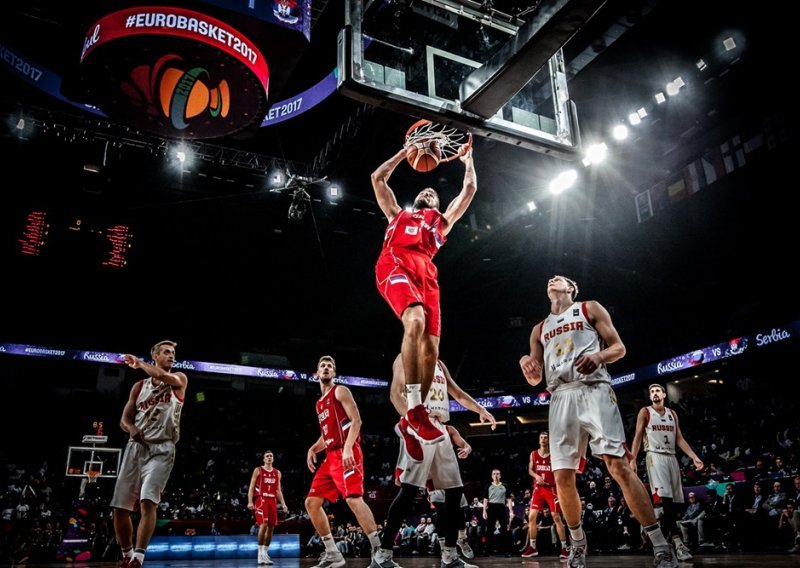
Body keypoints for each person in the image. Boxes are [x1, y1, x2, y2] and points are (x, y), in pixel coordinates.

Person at [519, 275, 677, 568]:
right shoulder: (539, 329)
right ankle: (578, 543)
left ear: (570, 288)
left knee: (618, 466)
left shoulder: (589, 308)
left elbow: (619, 347)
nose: (553, 279)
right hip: (560, 396)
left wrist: (599, 355)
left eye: (561, 278)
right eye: (550, 279)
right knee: (563, 476)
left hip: (594, 389)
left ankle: (660, 544)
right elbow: (535, 377)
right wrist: (526, 367)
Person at [371, 143, 476, 444]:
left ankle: (415, 412)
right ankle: (415, 409)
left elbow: (468, 190)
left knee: (432, 348)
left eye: (433, 193)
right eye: (423, 192)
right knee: (414, 321)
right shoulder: (396, 215)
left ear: (436, 204)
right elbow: (378, 177)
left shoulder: (441, 222)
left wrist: (468, 161)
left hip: (426, 272)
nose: (428, 192)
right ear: (415, 199)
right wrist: (406, 151)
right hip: (395, 261)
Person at [375, 353, 494, 568]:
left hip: (440, 427)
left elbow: (457, 392)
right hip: (419, 425)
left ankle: (449, 556)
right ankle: (382, 555)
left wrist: (481, 409)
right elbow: (395, 394)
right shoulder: (405, 356)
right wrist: (412, 423)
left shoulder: (439, 363)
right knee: (409, 491)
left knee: (455, 491)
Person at [111, 340, 188, 568]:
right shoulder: (139, 386)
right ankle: (127, 553)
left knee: (148, 502)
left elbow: (163, 376)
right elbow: (124, 419)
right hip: (136, 448)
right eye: (166, 352)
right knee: (120, 508)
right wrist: (131, 428)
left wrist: (139, 362)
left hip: (162, 448)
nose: (171, 355)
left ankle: (139, 557)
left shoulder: (180, 378)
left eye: (173, 352)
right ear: (155, 355)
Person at [305, 356, 382, 568]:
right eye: (323, 365)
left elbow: (356, 420)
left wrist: (348, 447)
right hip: (330, 456)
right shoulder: (319, 404)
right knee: (311, 503)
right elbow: (326, 436)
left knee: (353, 499)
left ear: (334, 373)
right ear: (317, 373)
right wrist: (313, 448)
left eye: (330, 366)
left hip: (346, 451)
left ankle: (380, 552)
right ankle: (333, 554)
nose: (326, 368)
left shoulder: (340, 391)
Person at [630, 383, 704, 561]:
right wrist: (632, 458)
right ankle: (678, 543)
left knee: (675, 505)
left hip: (672, 457)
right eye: (651, 392)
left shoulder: (673, 414)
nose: (654, 393)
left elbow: (679, 438)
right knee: (666, 501)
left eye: (657, 391)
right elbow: (638, 436)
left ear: (664, 394)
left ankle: (662, 542)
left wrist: (694, 457)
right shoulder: (645, 412)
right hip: (654, 456)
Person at [521, 431, 569, 559]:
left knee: (556, 517)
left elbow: (560, 470)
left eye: (545, 437)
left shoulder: (553, 455)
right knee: (531, 517)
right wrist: (536, 476)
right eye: (541, 437)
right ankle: (532, 547)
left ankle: (564, 548)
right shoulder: (534, 454)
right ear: (539, 440)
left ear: (548, 440)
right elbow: (530, 470)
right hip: (538, 489)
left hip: (551, 489)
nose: (543, 439)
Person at [248, 450, 288, 565]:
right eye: (267, 456)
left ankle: (265, 553)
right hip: (261, 499)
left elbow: (278, 490)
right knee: (263, 525)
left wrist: (284, 504)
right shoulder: (258, 470)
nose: (269, 457)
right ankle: (259, 553)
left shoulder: (277, 473)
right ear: (264, 459)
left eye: (271, 456)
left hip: (272, 500)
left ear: (273, 458)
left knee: (271, 527)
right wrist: (250, 501)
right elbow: (251, 487)